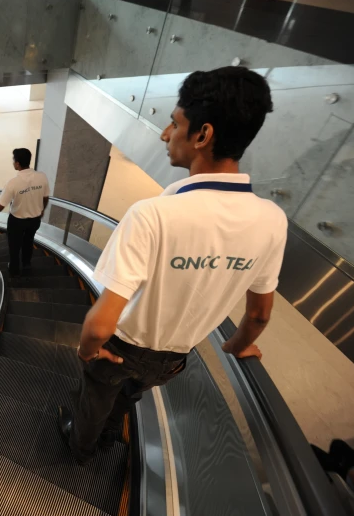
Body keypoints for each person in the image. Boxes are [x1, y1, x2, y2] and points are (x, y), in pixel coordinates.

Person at [57, 66, 286, 465]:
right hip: (175, 358)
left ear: (203, 135)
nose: (165, 134)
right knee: (130, 394)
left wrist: (86, 349)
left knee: (94, 398)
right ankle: (112, 432)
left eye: (174, 123)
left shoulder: (152, 215)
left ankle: (81, 446)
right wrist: (237, 346)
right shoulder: (272, 219)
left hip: (121, 344)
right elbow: (260, 314)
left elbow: (100, 324)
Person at [0, 148, 49, 277]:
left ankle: (14, 269)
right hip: (35, 220)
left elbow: (1, 206)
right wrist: (41, 210)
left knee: (14, 245)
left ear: (17, 163)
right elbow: (45, 198)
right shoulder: (42, 177)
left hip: (17, 221)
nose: (13, 162)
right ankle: (26, 265)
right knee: (29, 242)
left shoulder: (13, 183)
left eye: (13, 160)